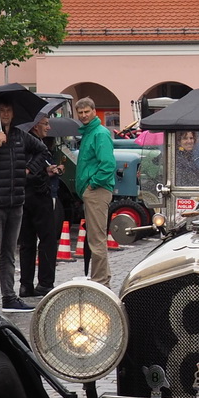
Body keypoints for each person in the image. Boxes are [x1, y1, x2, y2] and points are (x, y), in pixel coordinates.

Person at [0, 101, 47, 310]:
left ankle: (9, 297)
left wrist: (29, 170)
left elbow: (43, 151)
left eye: (8, 110)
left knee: (10, 254)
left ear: (13, 113)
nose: (5, 114)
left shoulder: (20, 135)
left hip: (16, 203)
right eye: (1, 110)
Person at [18, 114, 65, 299]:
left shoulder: (20, 141)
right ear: (36, 126)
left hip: (23, 198)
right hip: (39, 196)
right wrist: (48, 174)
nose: (49, 128)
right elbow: (34, 173)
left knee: (26, 243)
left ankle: (25, 285)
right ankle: (45, 283)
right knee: (47, 240)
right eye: (46, 124)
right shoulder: (38, 146)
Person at [74, 98, 117, 286]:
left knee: (96, 240)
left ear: (94, 111)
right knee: (96, 237)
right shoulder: (90, 133)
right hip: (93, 191)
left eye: (86, 112)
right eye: (80, 112)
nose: (83, 115)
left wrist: (92, 185)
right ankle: (103, 279)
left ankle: (100, 281)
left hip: (97, 191)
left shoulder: (99, 133)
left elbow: (108, 165)